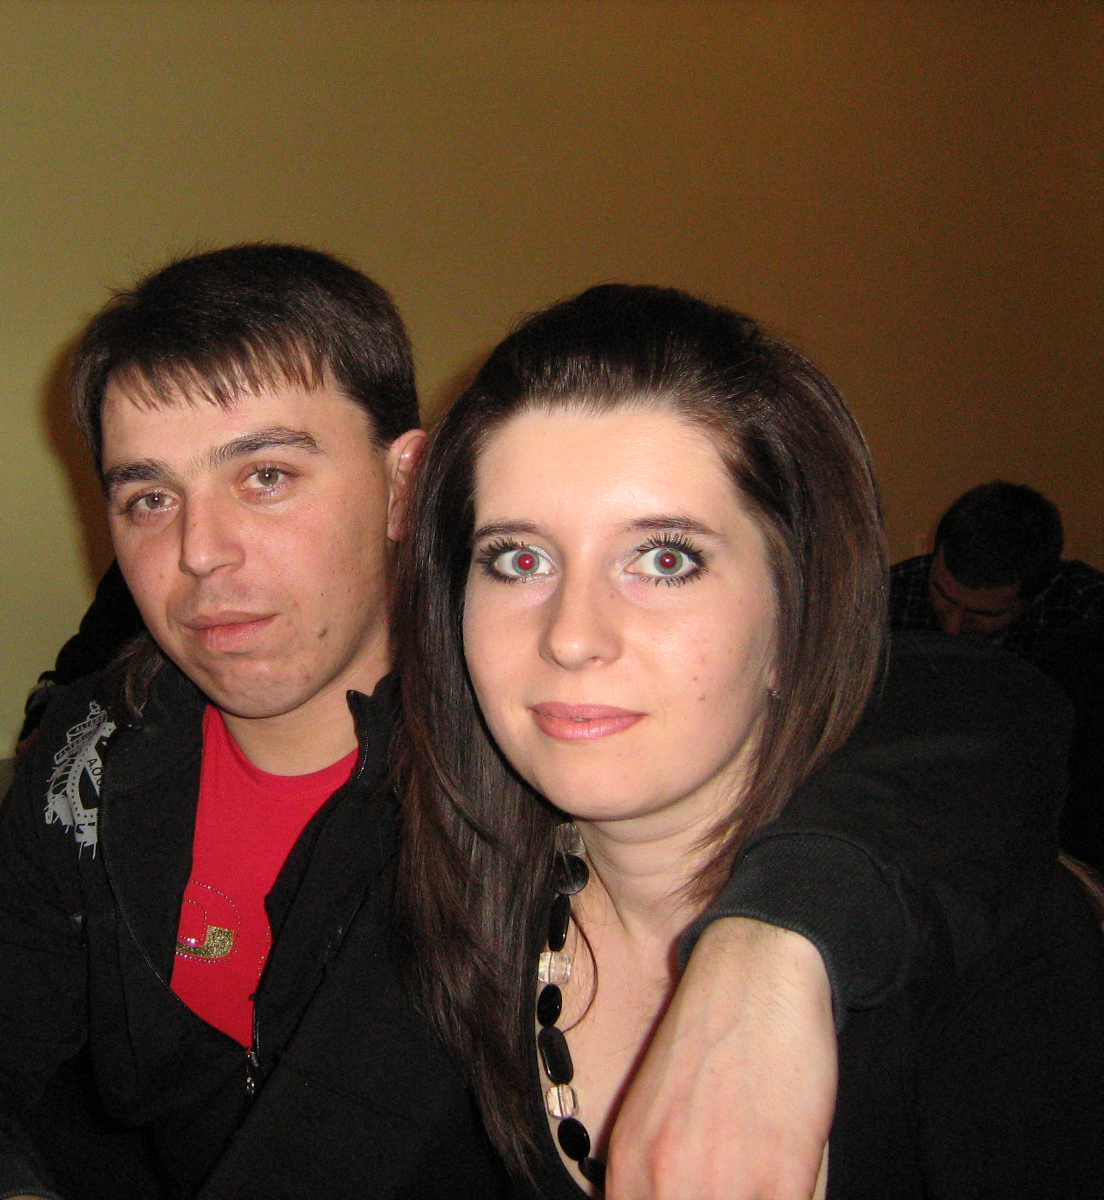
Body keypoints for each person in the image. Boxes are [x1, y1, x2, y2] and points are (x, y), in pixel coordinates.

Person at [0, 245, 1074, 1200]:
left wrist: (774, 944)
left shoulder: (495, 772)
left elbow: (958, 701)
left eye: (266, 476)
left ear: (407, 486)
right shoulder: (111, 754)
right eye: (147, 498)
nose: (200, 553)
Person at [396, 284, 1104, 1198]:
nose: (571, 636)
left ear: (793, 616)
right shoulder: (438, 913)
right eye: (519, 560)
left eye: (665, 559)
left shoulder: (999, 953)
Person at [889, 481, 1104, 655]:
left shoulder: (1089, 616)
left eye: (981, 614)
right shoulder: (891, 595)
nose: (952, 629)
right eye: (944, 596)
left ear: (1041, 594)